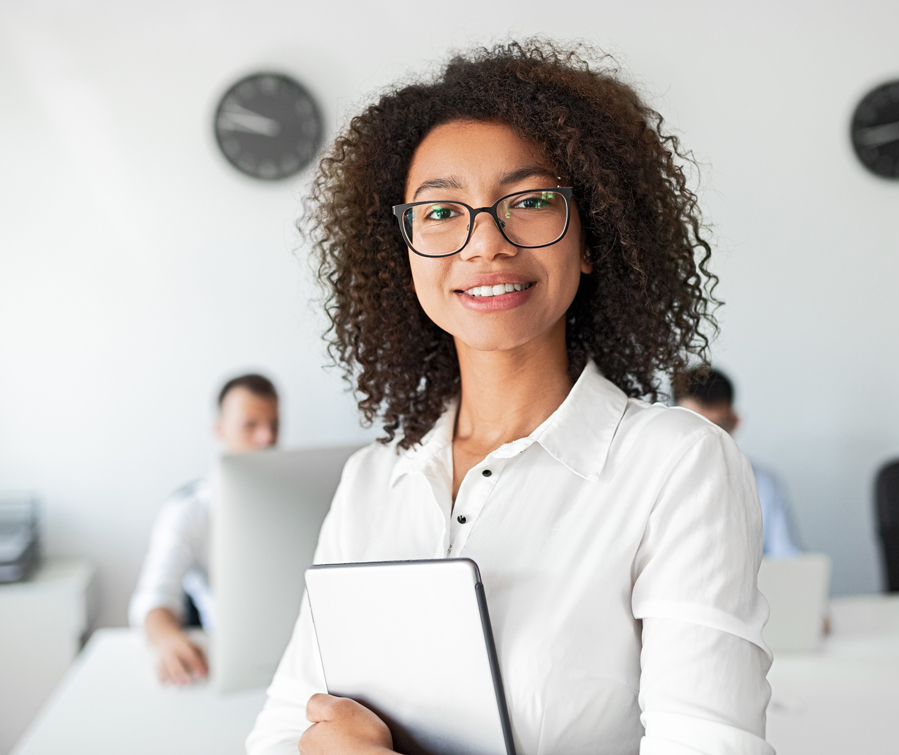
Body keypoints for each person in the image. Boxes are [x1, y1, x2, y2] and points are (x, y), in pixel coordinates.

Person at [248, 41, 773, 755]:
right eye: (440, 213)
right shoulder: (373, 482)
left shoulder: (678, 466)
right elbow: (281, 733)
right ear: (403, 254)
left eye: (528, 202)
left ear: (590, 237)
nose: (484, 243)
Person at [128, 373, 279, 684]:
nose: (267, 438)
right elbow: (152, 599)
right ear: (220, 429)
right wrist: (169, 639)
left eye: (274, 425)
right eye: (250, 425)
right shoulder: (190, 509)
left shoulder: (303, 497)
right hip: (232, 665)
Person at [675, 368, 802, 558]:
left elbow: (788, 561)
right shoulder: (649, 480)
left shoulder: (764, 484)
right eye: (693, 426)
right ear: (671, 422)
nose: (704, 440)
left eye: (716, 428)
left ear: (734, 422)